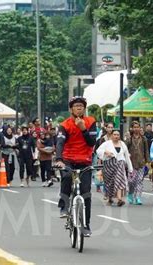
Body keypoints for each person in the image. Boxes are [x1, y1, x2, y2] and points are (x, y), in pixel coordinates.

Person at [55, 96, 97, 237]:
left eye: (81, 105)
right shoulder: (65, 125)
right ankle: (64, 206)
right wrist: (59, 159)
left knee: (86, 193)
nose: (79, 107)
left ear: (84, 108)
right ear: (71, 109)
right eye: (76, 105)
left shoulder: (91, 122)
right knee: (66, 176)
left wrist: (83, 129)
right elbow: (60, 143)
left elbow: (92, 143)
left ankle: (86, 225)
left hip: (85, 160)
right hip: (67, 159)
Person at [96, 130, 133, 207]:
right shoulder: (107, 143)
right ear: (112, 135)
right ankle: (110, 198)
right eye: (114, 134)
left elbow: (127, 156)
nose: (116, 136)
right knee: (110, 183)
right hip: (109, 165)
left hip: (120, 163)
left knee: (119, 179)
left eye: (118, 135)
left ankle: (119, 199)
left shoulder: (122, 144)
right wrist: (106, 152)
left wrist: (130, 169)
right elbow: (98, 151)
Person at [126, 121, 149, 205]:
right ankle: (130, 194)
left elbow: (146, 150)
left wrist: (147, 161)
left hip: (141, 163)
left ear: (140, 128)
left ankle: (138, 197)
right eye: (134, 127)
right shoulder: (129, 139)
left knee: (139, 180)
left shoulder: (144, 139)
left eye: (137, 127)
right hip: (131, 163)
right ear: (132, 128)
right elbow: (125, 150)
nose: (136, 129)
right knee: (131, 181)